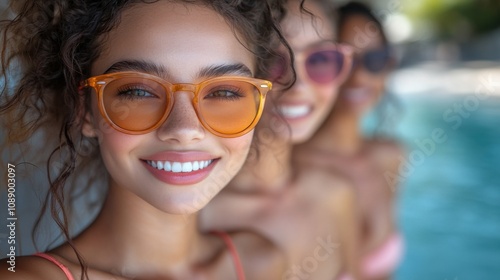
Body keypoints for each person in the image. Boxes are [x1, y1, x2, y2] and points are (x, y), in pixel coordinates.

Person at [0, 0, 292, 279]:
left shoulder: (259, 262)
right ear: (84, 111)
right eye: (138, 91)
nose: (184, 128)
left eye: (224, 92)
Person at [199, 0, 362, 279]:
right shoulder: (197, 212)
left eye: (321, 59)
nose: (298, 84)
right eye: (272, 61)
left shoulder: (337, 194)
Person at [293, 2, 405, 279]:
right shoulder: (291, 167)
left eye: (375, 60)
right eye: (342, 60)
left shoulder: (391, 157)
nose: (359, 76)